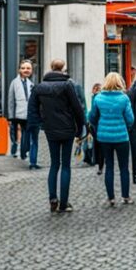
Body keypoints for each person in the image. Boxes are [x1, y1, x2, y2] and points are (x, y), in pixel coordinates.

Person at [28, 59, 85, 213]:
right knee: (65, 165)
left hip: (50, 128)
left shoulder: (39, 87)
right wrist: (81, 128)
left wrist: (41, 123)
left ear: (51, 68)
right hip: (67, 128)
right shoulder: (67, 85)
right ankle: (64, 203)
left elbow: (32, 109)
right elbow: (77, 108)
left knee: (54, 164)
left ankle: (53, 198)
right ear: (63, 69)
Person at [90, 72, 136, 206]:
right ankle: (126, 196)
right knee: (123, 167)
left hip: (104, 137)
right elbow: (130, 119)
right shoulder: (124, 98)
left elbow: (92, 117)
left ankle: (111, 198)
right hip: (121, 136)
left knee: (109, 166)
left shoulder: (98, 98)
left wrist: (100, 125)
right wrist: (125, 126)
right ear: (119, 82)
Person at [7, 60, 34, 160]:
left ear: (31, 70)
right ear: (19, 70)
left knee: (26, 134)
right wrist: (11, 116)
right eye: (23, 68)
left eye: (28, 68)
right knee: (15, 134)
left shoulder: (31, 83)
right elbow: (10, 100)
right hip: (17, 114)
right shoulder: (14, 83)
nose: (25, 70)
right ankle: (14, 151)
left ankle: (23, 153)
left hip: (27, 114)